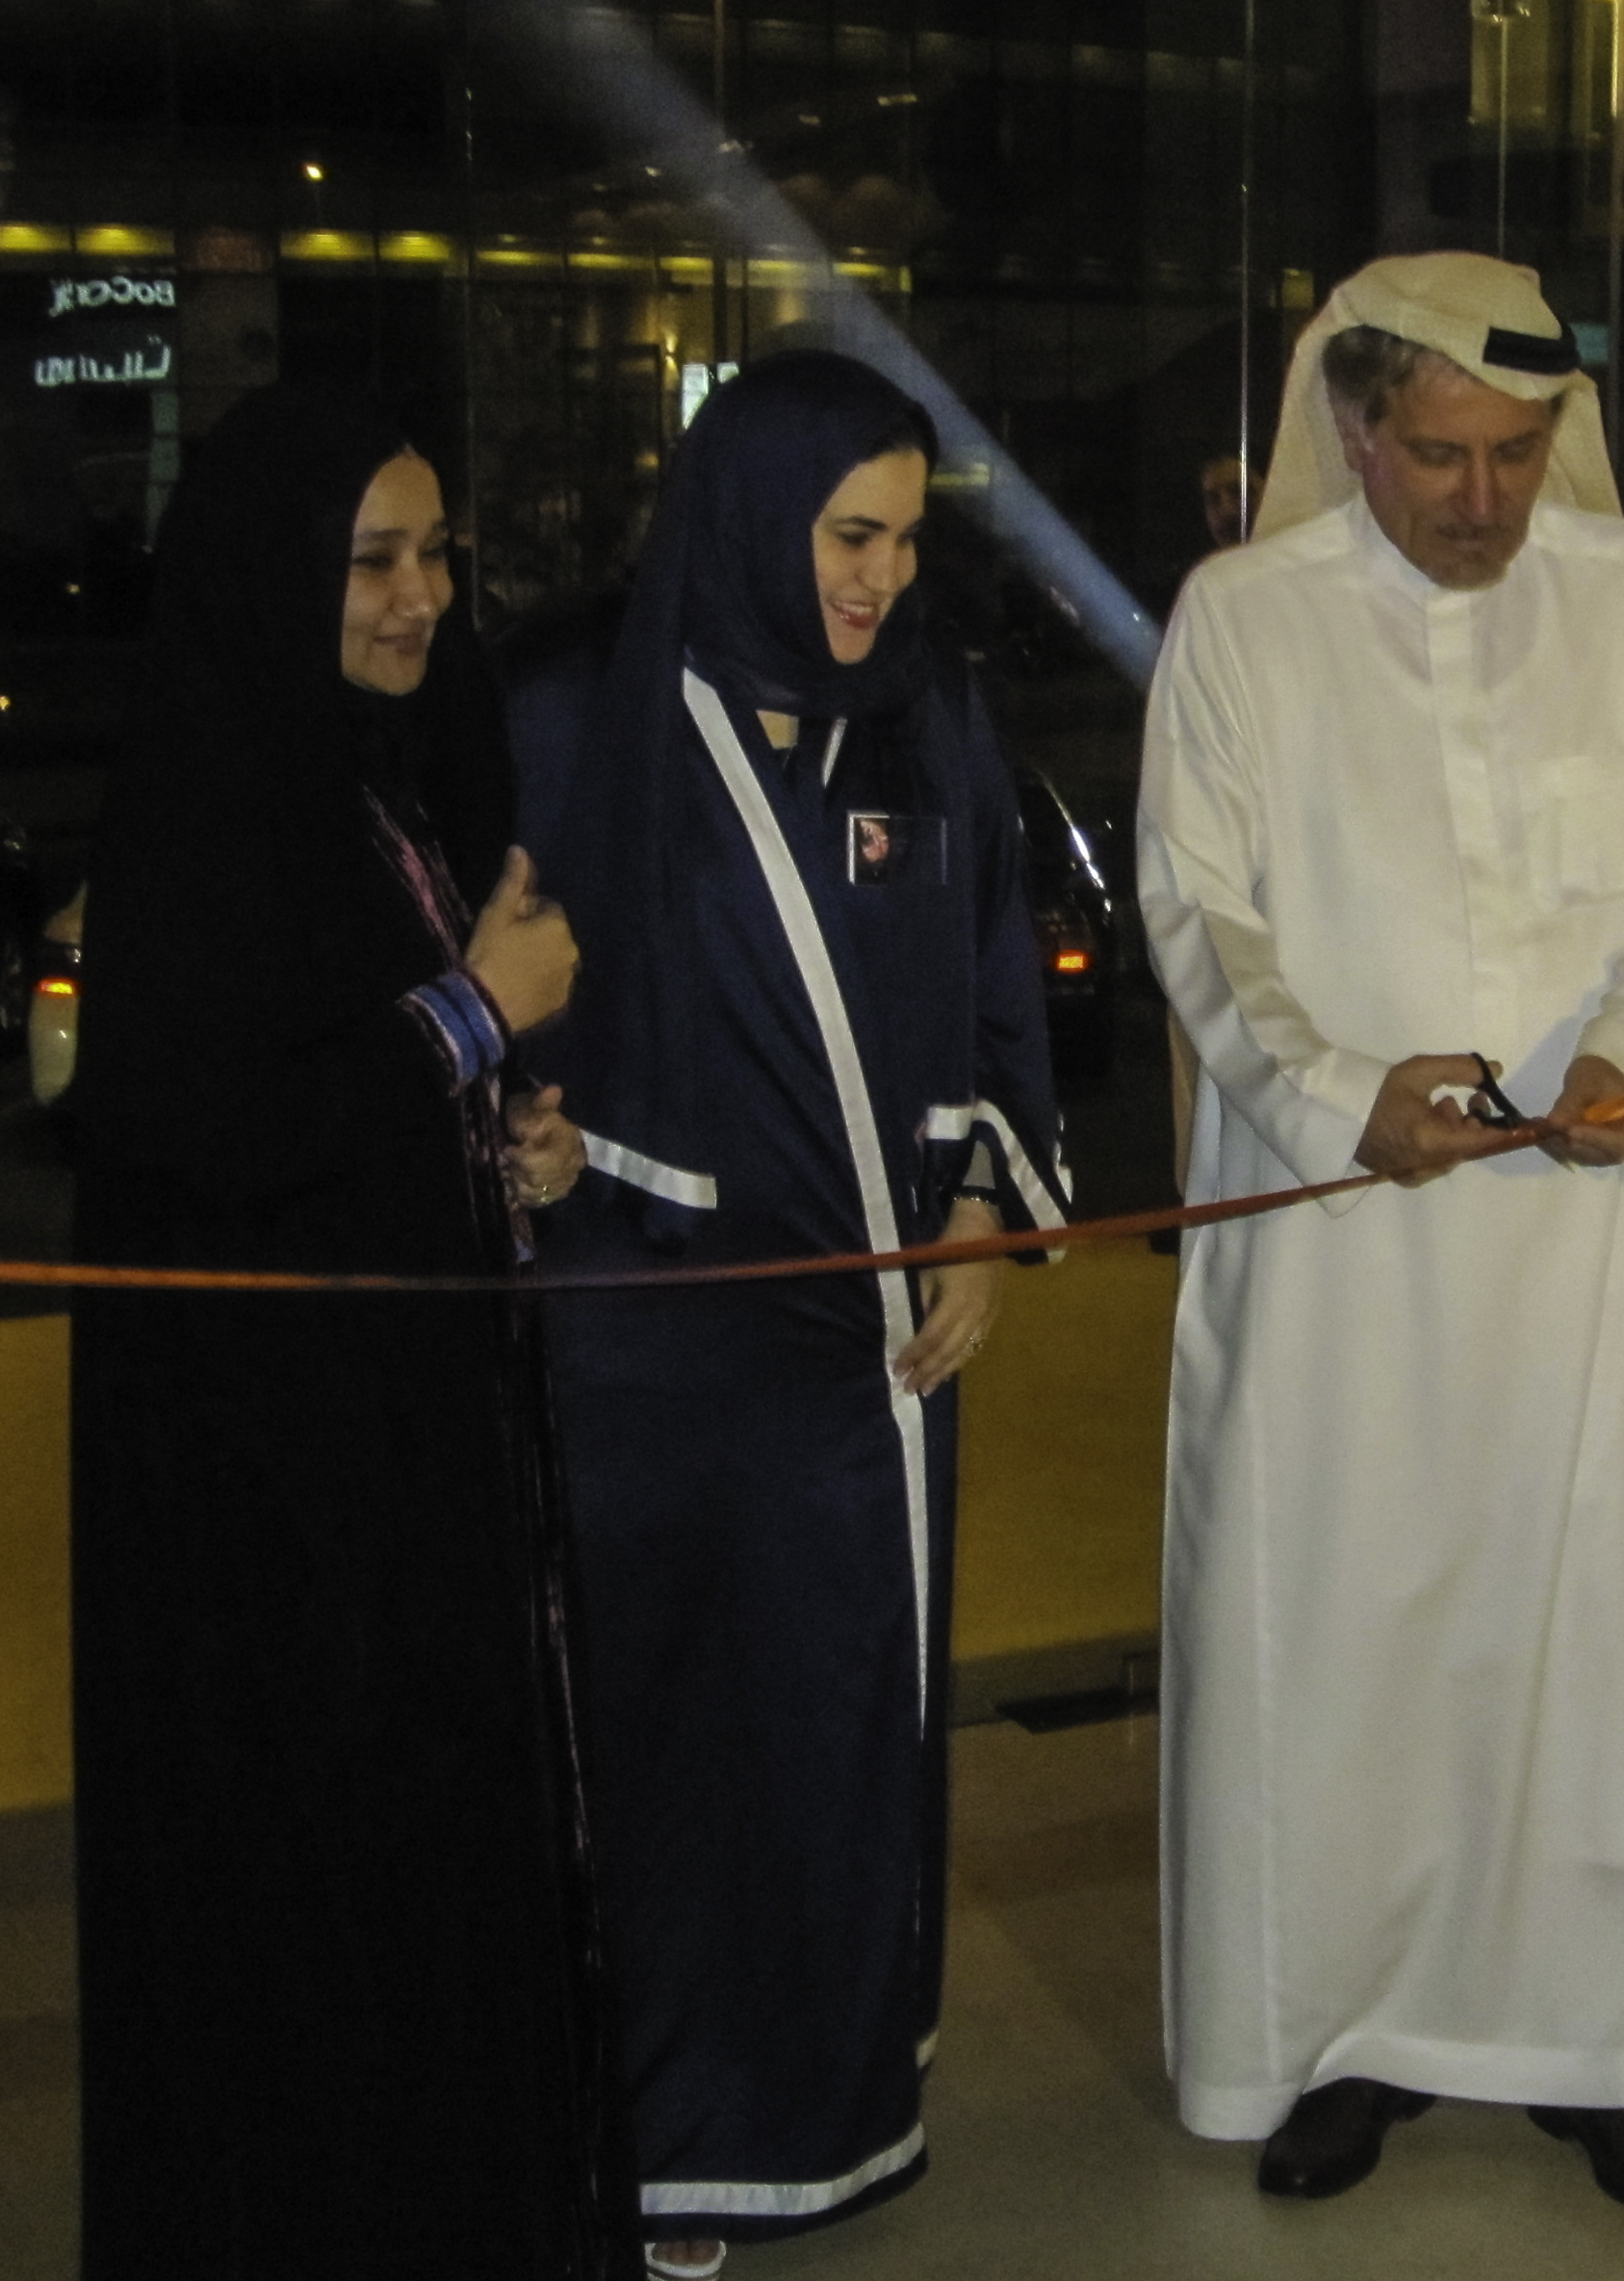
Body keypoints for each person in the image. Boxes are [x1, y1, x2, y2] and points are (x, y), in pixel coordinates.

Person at [1141, 254, 1624, 2221]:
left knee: (1586, 1632)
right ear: (1353, 427)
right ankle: (1337, 2032)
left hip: (1587, 1230)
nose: (1483, 500)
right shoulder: (1246, 621)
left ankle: (1596, 2045)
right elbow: (1200, 910)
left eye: (1515, 453)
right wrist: (1339, 1097)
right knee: (1344, 1633)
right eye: (1436, 457)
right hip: (1341, 1237)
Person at [515, 351, 1068, 2277]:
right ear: (752, 513)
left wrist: (982, 1215)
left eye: (907, 539)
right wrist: (523, 1130)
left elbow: (998, 982)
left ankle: (821, 2111)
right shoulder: (576, 710)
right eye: (850, 535)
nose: (881, 579)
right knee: (660, 1748)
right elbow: (485, 977)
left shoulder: (927, 716)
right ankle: (662, 2149)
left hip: (866, 1358)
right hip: (639, 1336)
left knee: (841, 1742)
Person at [67, 388, 609, 2277]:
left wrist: (516, 1145)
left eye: (438, 553)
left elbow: (372, 1100)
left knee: (434, 1858)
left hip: (414, 1443)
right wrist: (478, 1015)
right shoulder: (202, 814)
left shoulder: (397, 774)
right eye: (372, 561)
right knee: (315, 1880)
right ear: (271, 577)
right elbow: (212, 1133)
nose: (419, 597)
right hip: (274, 1496)